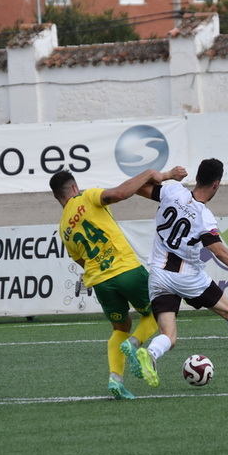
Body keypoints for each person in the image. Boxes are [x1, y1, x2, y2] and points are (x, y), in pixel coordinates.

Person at [131, 158, 228, 386]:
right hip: (188, 278)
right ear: (216, 184)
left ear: (198, 176)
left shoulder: (173, 190)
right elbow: (218, 250)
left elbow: (136, 187)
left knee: (169, 336)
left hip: (158, 275)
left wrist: (165, 175)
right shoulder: (204, 217)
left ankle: (151, 354)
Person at [51, 165, 187, 399]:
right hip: (126, 269)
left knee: (120, 327)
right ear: (74, 187)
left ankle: (116, 380)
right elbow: (120, 194)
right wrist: (150, 174)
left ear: (57, 197)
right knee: (160, 309)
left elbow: (82, 261)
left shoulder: (63, 228)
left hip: (100, 281)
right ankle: (134, 343)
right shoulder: (88, 196)